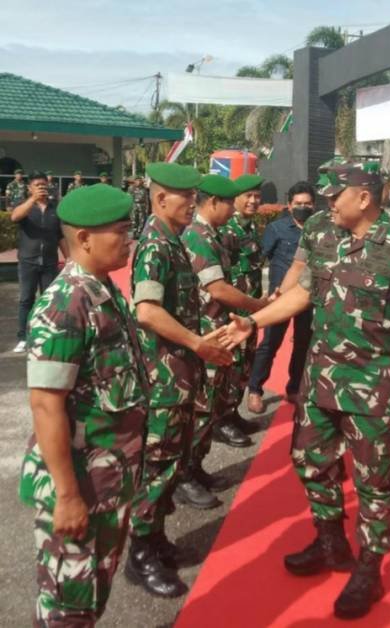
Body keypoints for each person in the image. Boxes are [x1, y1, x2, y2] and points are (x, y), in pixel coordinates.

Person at [223, 162, 390, 619]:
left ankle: (369, 568)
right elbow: (303, 293)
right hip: (321, 381)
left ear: (363, 197)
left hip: (376, 389)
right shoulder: (324, 237)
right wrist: (253, 321)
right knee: (308, 461)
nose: (326, 203)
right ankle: (330, 541)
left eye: (334, 195)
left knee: (374, 482)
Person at [19, 184, 147, 626]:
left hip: (109, 480)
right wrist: (68, 496)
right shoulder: (65, 303)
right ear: (85, 238)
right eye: (121, 230)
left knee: (90, 596)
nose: (129, 238)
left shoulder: (102, 289)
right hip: (81, 485)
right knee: (67, 606)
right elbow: (45, 405)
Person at [125, 163, 234, 597]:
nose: (192, 203)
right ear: (159, 199)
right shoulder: (154, 244)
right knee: (156, 463)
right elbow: (147, 311)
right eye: (183, 196)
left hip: (180, 372)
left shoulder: (173, 241)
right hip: (163, 375)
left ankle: (155, 538)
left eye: (194, 196)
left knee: (170, 461)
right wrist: (198, 343)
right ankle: (140, 553)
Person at [179, 174, 268, 499]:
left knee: (212, 403)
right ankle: (183, 477)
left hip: (219, 331)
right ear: (213, 202)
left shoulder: (211, 234)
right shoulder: (199, 236)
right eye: (229, 202)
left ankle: (196, 468)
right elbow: (217, 289)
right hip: (207, 333)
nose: (233, 209)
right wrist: (257, 306)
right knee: (202, 408)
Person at [246, 181, 316, 414]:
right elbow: (260, 259)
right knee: (269, 343)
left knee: (303, 344)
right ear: (289, 205)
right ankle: (255, 389)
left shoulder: (320, 228)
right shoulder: (277, 229)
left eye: (307, 204)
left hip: (308, 296)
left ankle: (294, 387)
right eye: (298, 204)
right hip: (281, 296)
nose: (303, 207)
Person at [219, 174, 266, 424]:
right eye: (248, 195)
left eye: (257, 196)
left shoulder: (250, 226)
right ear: (235, 198)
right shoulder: (227, 229)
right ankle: (222, 420)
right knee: (231, 365)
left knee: (245, 364)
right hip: (233, 312)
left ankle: (233, 412)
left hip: (251, 310)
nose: (253, 201)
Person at [9, 171, 68, 353]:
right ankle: (23, 337)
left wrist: (70, 258)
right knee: (26, 299)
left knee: (48, 300)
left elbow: (60, 236)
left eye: (43, 185)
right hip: (28, 261)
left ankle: (45, 334)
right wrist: (32, 200)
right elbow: (15, 217)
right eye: (37, 185)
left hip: (49, 261)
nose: (42, 188)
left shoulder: (54, 209)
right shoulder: (26, 206)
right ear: (30, 188)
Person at [127, 173, 150, 238]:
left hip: (142, 206)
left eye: (139, 180)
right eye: (137, 180)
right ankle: (134, 233)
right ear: (134, 181)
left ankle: (139, 233)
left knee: (142, 220)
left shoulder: (144, 189)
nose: (138, 182)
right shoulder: (131, 188)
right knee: (134, 220)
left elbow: (146, 199)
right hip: (134, 205)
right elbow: (129, 198)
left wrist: (147, 208)